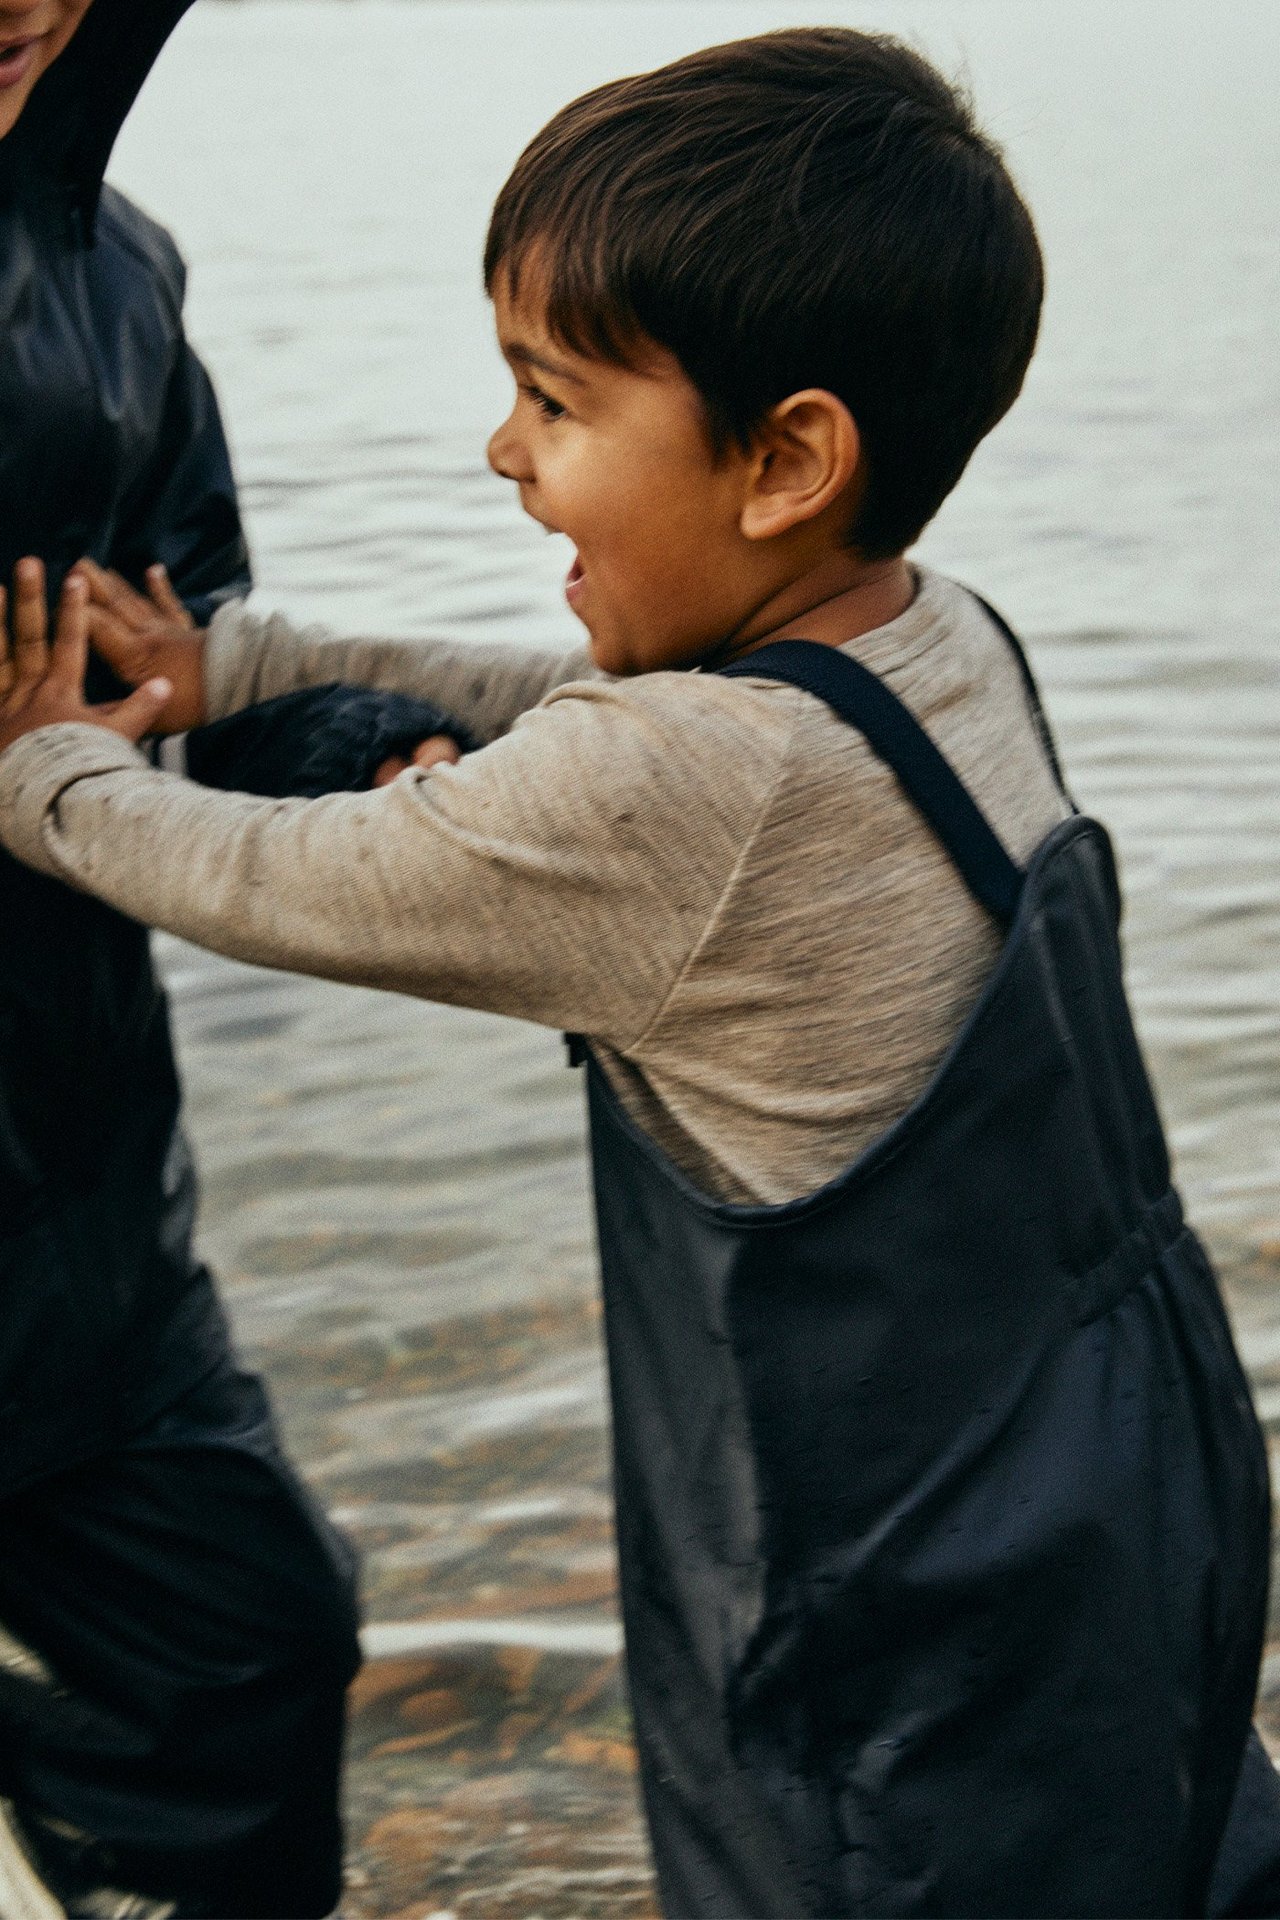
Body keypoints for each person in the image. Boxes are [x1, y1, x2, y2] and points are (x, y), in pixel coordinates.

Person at [0, 26, 1276, 1915]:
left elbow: (283, 874)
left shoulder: (687, 787)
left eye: (553, 399)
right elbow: (591, 712)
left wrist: (47, 766)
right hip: (1104, 1517)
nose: (503, 452)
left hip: (870, 1632)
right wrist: (236, 669)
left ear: (787, 459)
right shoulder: (934, 643)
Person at [0, 2, 463, 1913]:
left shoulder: (122, 279)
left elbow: (186, 649)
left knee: (258, 1642)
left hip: (79, 1209)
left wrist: (385, 756)